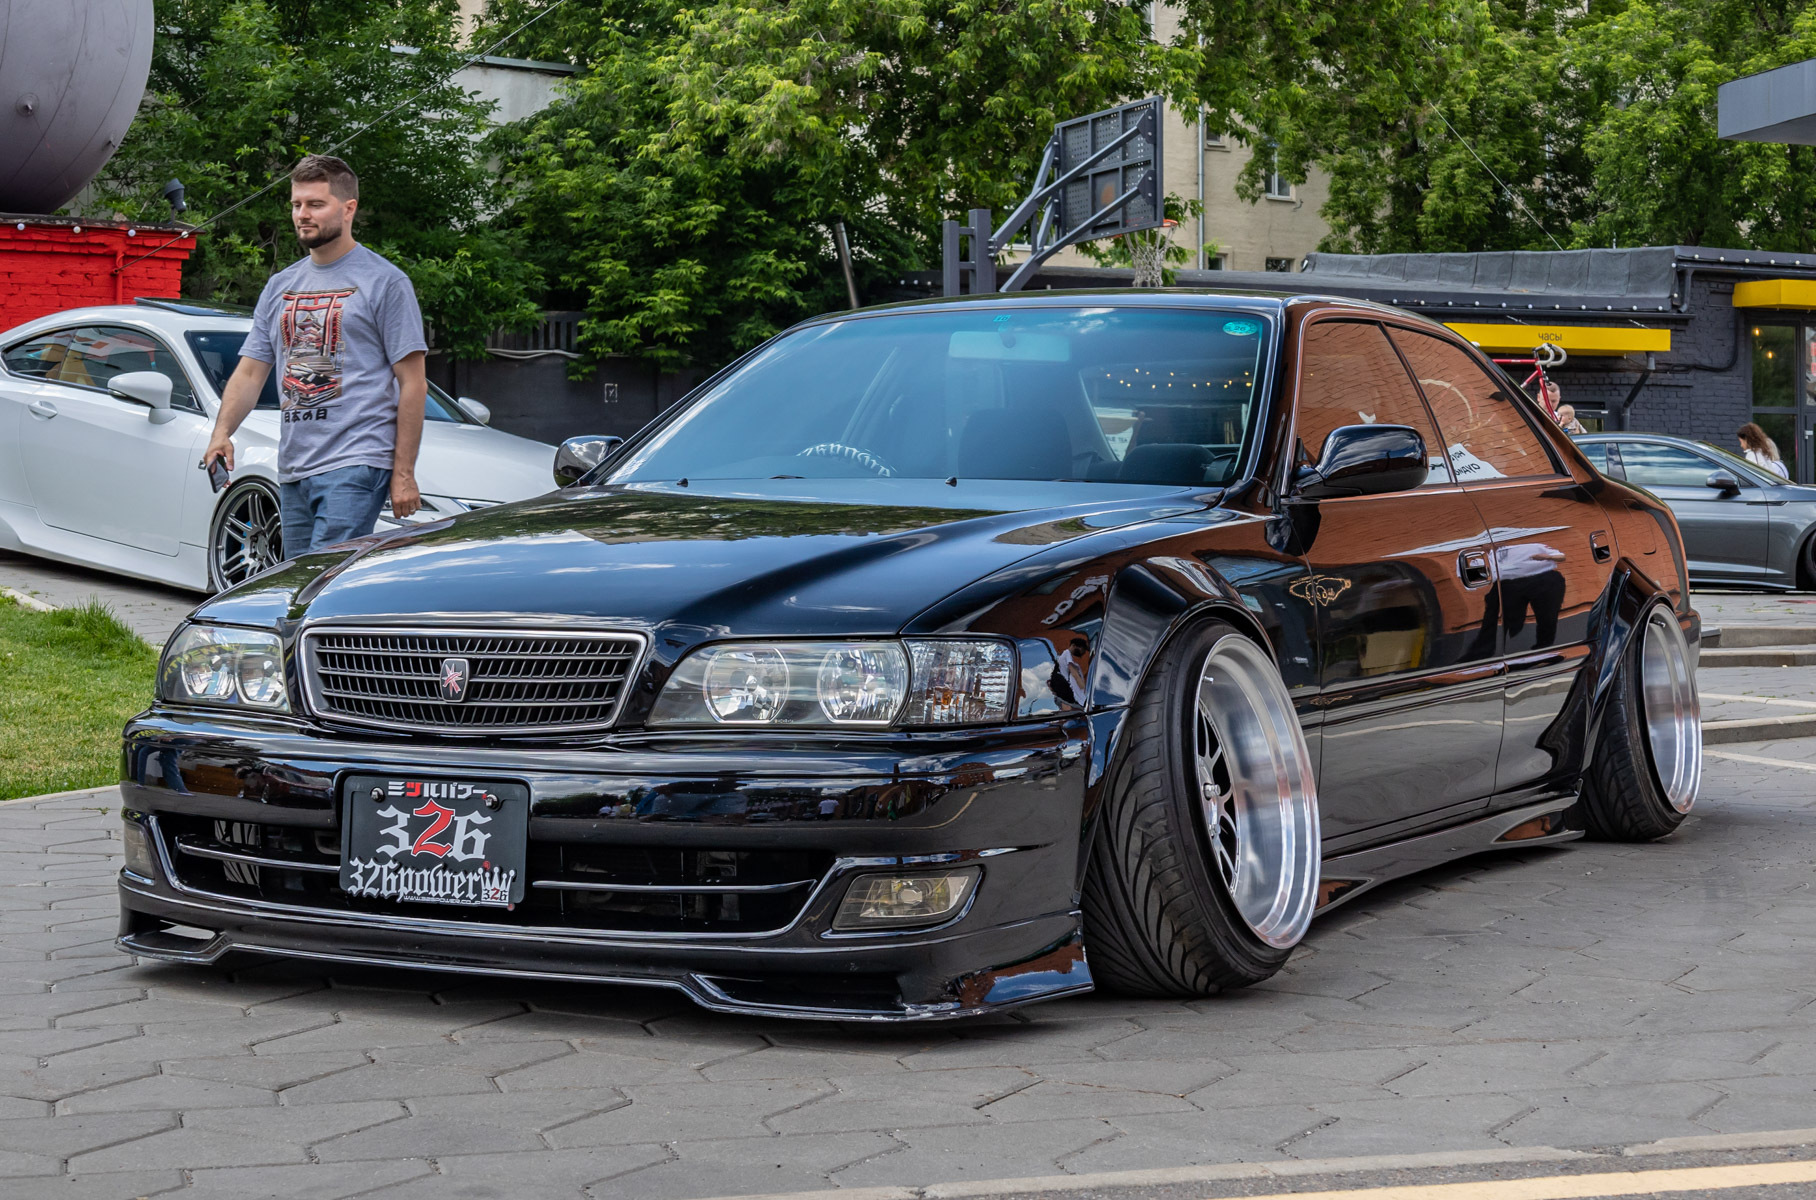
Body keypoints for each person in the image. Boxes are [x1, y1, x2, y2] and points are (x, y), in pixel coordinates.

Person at [200, 154, 428, 557]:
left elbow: (413, 382)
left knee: (322, 577)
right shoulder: (280, 285)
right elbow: (251, 372)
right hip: (295, 466)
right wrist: (222, 433)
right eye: (296, 204)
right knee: (299, 579)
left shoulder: (385, 282)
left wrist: (403, 472)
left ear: (348, 208)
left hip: (356, 460)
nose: (302, 215)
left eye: (315, 204)